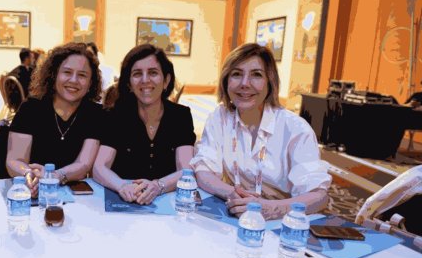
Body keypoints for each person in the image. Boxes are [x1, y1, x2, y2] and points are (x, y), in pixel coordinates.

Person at [190, 43, 331, 220]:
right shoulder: (219, 117)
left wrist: (272, 209)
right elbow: (203, 172)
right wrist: (230, 193)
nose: (244, 84)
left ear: (270, 83)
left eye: (256, 75)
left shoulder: (296, 129)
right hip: (234, 214)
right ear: (226, 81)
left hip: (282, 221)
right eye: (236, 74)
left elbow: (319, 197)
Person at [92, 44, 195, 205]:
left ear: (166, 80)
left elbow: (186, 170)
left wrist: (158, 186)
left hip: (167, 202)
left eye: (153, 73)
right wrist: (121, 185)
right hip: (124, 201)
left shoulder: (180, 116)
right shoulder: (116, 115)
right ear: (129, 83)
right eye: (137, 74)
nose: (145, 80)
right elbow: (99, 167)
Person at [6, 42, 104, 197]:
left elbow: (83, 163)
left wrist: (54, 176)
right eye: (67, 72)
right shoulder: (31, 108)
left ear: (90, 82)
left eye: (82, 75)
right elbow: (14, 160)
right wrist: (28, 174)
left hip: (72, 195)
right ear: (54, 75)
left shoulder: (95, 113)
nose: (74, 80)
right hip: (32, 191)